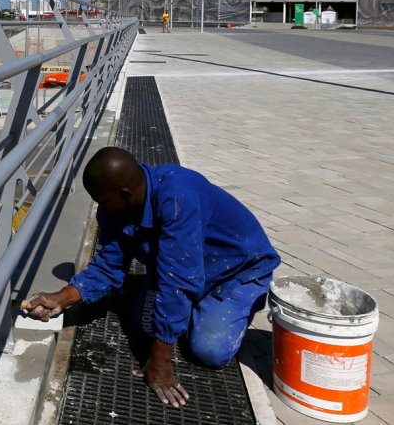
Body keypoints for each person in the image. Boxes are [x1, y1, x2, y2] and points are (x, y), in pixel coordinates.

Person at [24, 147, 281, 409]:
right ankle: (188, 303)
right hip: (184, 267)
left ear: (125, 194)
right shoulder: (116, 207)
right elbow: (109, 266)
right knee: (146, 326)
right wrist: (63, 298)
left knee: (209, 351)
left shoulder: (179, 198)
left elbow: (178, 281)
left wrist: (161, 362)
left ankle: (225, 303)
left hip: (238, 270)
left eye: (102, 201)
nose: (99, 207)